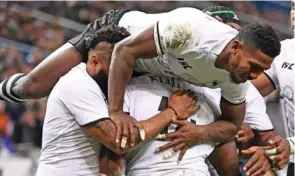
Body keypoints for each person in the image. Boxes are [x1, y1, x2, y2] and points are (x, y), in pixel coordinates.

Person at [0, 7, 281, 147]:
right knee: (34, 87)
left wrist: (201, 133)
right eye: (254, 66)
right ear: (235, 47)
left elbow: (232, 124)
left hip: (148, 68)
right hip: (115, 40)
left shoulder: (236, 76)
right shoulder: (191, 29)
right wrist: (116, 111)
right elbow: (125, 51)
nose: (255, 76)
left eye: (261, 70)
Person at [36, 25, 198, 176]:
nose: (123, 76)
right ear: (94, 61)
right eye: (116, 69)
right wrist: (172, 112)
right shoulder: (78, 85)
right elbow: (120, 142)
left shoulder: (100, 87)